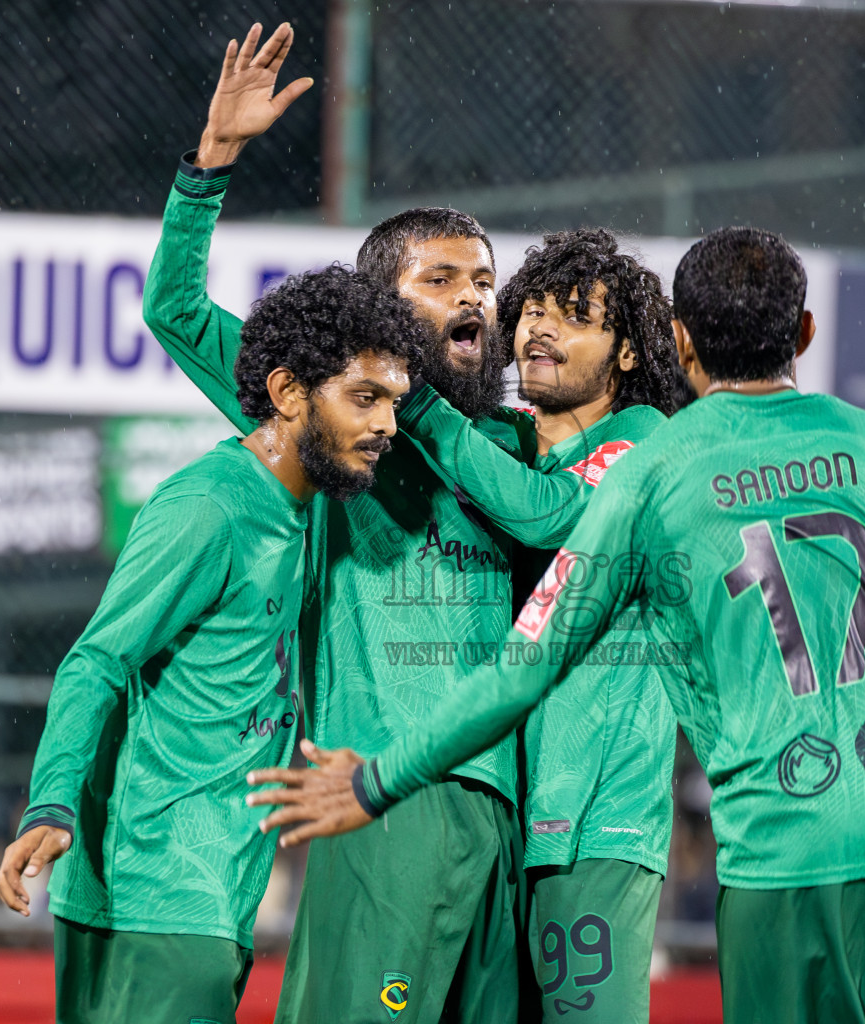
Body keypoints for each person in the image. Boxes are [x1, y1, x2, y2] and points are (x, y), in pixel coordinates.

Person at [253, 227, 865, 1024]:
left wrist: (379, 778)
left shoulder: (648, 477)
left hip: (792, 836)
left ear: (672, 340)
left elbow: (522, 667)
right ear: (801, 328)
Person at [142, 23, 528, 1022]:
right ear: (377, 307)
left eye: (483, 280)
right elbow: (177, 309)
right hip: (379, 796)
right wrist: (213, 162)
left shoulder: (522, 452)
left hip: (509, 818)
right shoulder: (338, 417)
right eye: (441, 280)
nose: (473, 298)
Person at [0, 265, 417, 1024]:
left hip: (212, 890)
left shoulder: (308, 505)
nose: (387, 422)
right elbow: (97, 660)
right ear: (288, 395)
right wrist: (49, 801)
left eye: (393, 401)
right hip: (155, 889)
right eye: (365, 397)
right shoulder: (209, 508)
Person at [346, 228, 682, 1023]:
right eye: (529, 309)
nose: (538, 328)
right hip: (515, 823)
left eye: (573, 316)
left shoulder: (645, 443)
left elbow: (544, 519)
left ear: (628, 355)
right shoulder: (515, 452)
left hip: (598, 822)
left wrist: (415, 395)